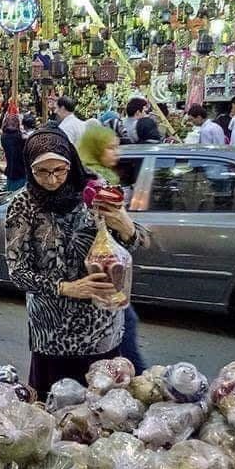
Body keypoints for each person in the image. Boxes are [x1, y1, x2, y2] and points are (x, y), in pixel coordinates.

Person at [4, 128, 147, 396]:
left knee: (103, 408)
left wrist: (126, 227)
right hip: (52, 335)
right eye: (41, 172)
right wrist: (68, 288)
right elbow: (17, 271)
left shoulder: (94, 191)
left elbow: (130, 246)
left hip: (101, 328)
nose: (52, 179)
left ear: (70, 162)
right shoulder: (22, 204)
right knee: (55, 408)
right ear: (29, 168)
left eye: (59, 170)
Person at [77, 124, 147, 373]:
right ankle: (138, 377)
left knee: (124, 325)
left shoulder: (106, 179)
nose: (117, 153)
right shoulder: (91, 184)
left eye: (117, 147)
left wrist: (128, 229)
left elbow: (127, 233)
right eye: (110, 148)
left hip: (107, 272)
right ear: (96, 149)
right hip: (97, 274)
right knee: (123, 329)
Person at [1, 115, 26, 191]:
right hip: (21, 172)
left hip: (10, 171)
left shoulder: (3, 137)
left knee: (10, 193)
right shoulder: (20, 137)